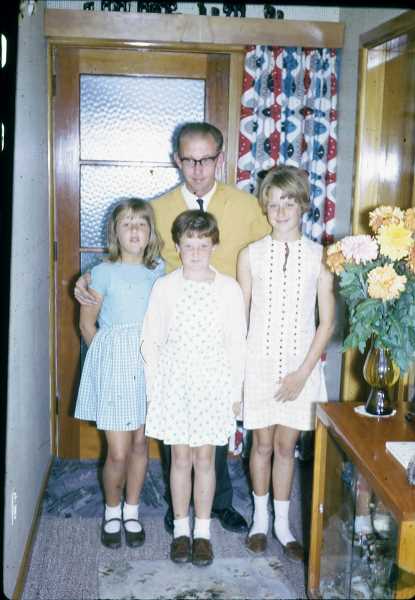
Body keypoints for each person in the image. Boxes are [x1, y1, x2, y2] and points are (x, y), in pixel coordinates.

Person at [74, 121, 271, 535]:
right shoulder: (157, 209)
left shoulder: (246, 206)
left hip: (219, 333)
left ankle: (218, 504)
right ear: (176, 160)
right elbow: (132, 260)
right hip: (175, 336)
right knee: (174, 432)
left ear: (220, 159)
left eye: (206, 160)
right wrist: (86, 280)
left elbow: (267, 254)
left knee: (213, 433)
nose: (198, 169)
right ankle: (177, 507)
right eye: (189, 160)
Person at [237, 165, 335, 561]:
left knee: (285, 446)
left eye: (288, 202)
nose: (280, 211)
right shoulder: (250, 255)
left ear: (303, 205)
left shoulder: (319, 257)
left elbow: (326, 323)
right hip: (258, 366)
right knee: (261, 445)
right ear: (264, 206)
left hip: (300, 368)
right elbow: (240, 319)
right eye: (273, 203)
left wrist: (302, 374)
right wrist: (237, 377)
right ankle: (260, 521)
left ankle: (283, 525)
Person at [140, 210, 247, 565]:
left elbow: (237, 345)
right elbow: (151, 341)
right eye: (189, 245)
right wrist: (155, 390)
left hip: (213, 385)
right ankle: (181, 530)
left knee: (205, 459)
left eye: (203, 245)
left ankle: (202, 532)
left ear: (214, 246)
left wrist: (235, 394)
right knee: (180, 458)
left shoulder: (229, 289)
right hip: (174, 384)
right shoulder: (165, 287)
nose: (196, 252)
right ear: (177, 247)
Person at [74, 198, 164, 549]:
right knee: (118, 451)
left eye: (141, 223)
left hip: (147, 364)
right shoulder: (101, 273)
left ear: (150, 232)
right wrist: (106, 362)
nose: (134, 230)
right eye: (126, 224)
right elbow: (87, 325)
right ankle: (112, 511)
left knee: (141, 443)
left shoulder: (160, 270)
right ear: (115, 232)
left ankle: (132, 510)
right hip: (115, 366)